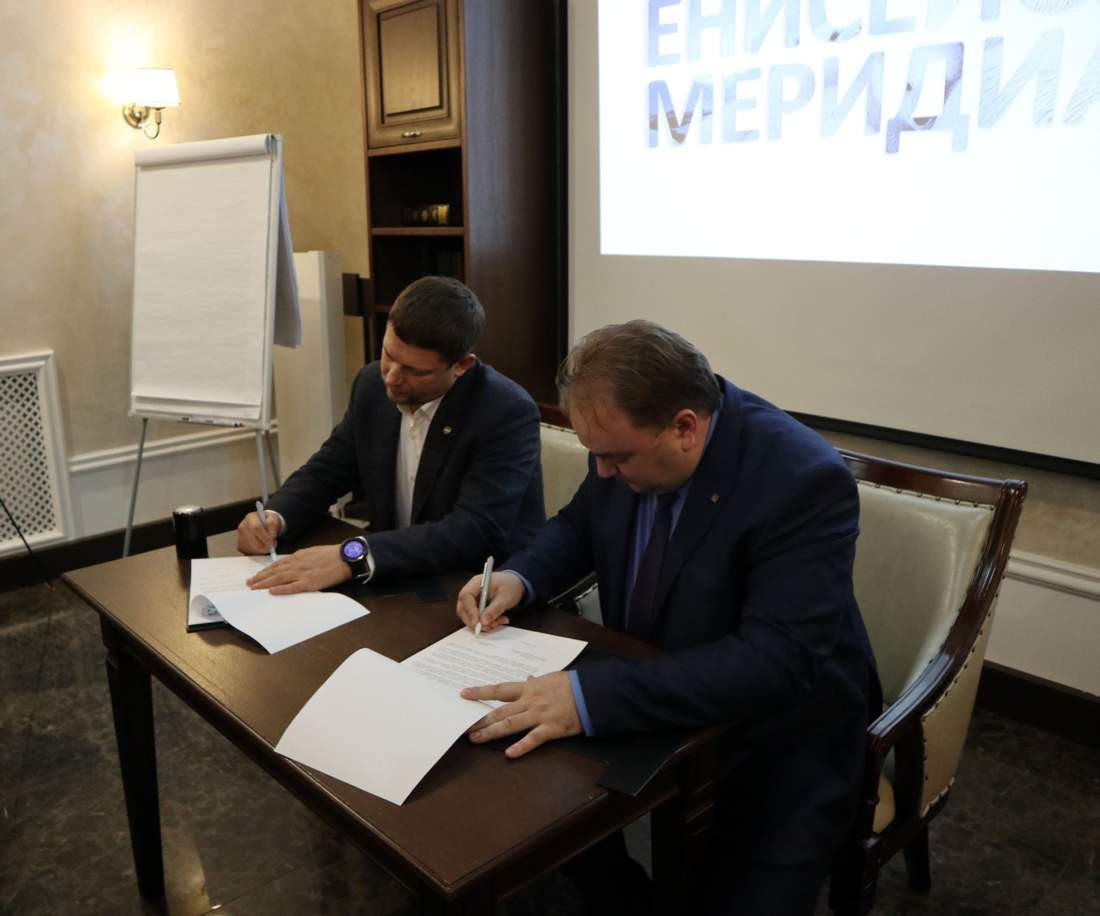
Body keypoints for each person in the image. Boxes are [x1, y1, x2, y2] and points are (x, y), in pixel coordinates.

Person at [455, 320, 879, 915]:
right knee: (530, 812)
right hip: (654, 683)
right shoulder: (623, 439)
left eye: (615, 458)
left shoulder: (802, 480)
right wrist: (519, 577)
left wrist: (588, 697)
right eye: (596, 457)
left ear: (685, 427)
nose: (603, 472)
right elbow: (579, 525)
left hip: (777, 739)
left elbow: (776, 661)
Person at [239, 276, 545, 593]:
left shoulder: (505, 411)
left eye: (415, 370)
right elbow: (328, 470)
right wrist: (276, 515)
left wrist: (353, 555)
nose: (392, 377)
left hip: (477, 588)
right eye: (388, 354)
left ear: (462, 365)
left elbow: (474, 531)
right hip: (396, 579)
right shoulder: (371, 384)